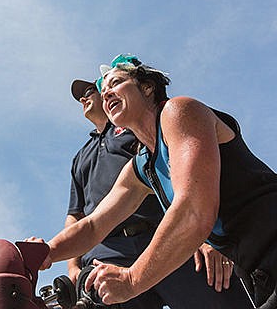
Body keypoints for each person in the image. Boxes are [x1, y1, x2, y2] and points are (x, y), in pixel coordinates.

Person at [34, 54, 277, 309]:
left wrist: (133, 278)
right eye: (104, 90)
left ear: (147, 87)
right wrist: (44, 253)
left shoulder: (179, 112)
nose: (107, 93)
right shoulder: (141, 168)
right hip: (260, 274)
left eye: (117, 83)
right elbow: (93, 227)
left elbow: (193, 209)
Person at [65, 78, 252, 308]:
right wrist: (72, 265)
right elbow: (77, 216)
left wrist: (208, 235)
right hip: (108, 250)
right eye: (81, 97)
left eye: (90, 90)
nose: (86, 98)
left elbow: (194, 172)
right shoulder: (81, 157)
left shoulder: (137, 126)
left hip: (165, 237)